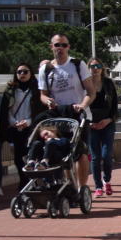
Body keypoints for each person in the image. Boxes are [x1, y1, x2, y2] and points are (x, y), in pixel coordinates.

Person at [37, 33, 94, 189]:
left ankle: (81, 188)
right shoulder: (45, 69)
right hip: (57, 117)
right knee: (62, 152)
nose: (60, 48)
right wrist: (48, 101)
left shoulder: (77, 64)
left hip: (78, 115)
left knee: (80, 152)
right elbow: (42, 94)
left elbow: (91, 91)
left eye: (64, 45)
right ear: (51, 47)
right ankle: (69, 185)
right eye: (57, 45)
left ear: (68, 47)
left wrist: (82, 105)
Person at [0, 62, 44, 188]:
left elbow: (40, 110)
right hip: (15, 128)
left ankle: (34, 182)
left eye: (25, 72)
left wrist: (29, 121)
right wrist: (13, 122)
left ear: (31, 74)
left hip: (32, 128)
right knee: (19, 158)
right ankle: (24, 182)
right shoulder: (10, 90)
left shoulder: (37, 90)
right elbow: (5, 110)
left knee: (33, 154)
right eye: (19, 72)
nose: (22, 74)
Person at [86, 59, 119, 197]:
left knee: (106, 155)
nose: (95, 68)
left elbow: (115, 107)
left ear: (102, 68)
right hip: (91, 125)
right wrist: (88, 123)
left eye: (98, 66)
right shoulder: (85, 85)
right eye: (92, 66)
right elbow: (82, 105)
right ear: (88, 68)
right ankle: (98, 186)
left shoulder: (108, 84)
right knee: (95, 157)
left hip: (107, 124)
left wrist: (109, 120)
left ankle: (107, 181)